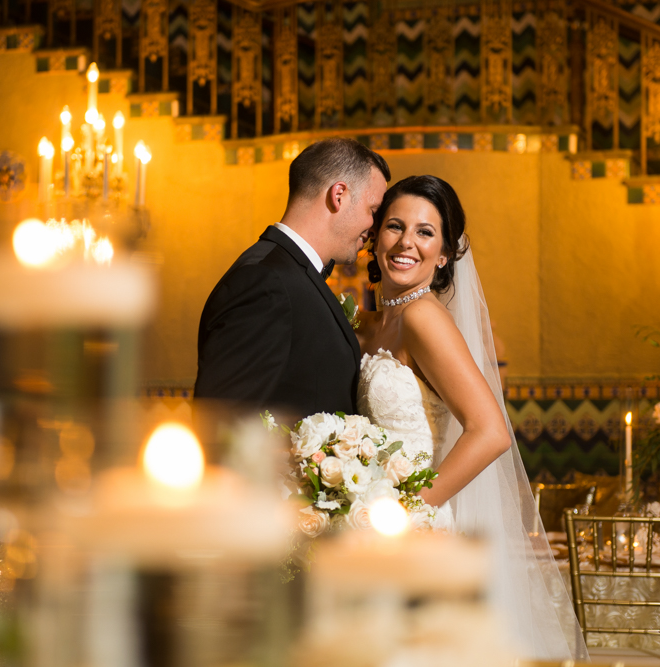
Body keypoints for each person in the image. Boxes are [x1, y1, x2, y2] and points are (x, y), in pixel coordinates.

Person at [355, 175, 588, 662]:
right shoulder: (376, 321)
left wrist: (408, 512)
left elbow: (492, 432)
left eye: (425, 232)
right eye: (395, 226)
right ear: (376, 238)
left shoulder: (423, 316)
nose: (406, 243)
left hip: (413, 532)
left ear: (443, 255)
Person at [194, 138, 389, 417]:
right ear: (339, 195)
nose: (373, 228)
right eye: (372, 210)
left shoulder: (290, 274)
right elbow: (222, 424)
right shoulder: (263, 283)